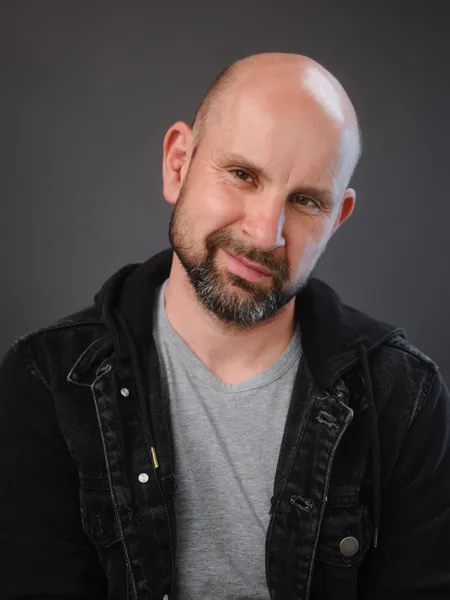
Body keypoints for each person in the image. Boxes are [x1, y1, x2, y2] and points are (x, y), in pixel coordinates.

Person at [1, 52, 449, 600]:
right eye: (242, 175)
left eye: (306, 201)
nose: (265, 233)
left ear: (337, 218)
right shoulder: (48, 383)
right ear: (178, 164)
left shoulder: (404, 398)